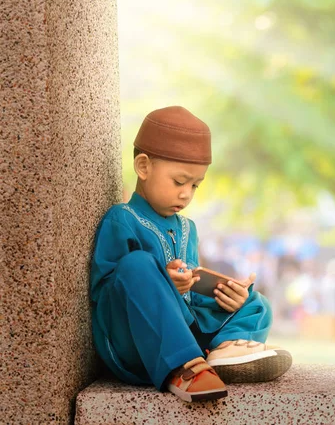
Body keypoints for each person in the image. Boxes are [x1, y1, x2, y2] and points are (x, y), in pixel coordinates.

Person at [90, 106, 292, 402]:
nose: (187, 194)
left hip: (186, 329)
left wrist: (224, 295)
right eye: (179, 182)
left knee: (254, 301)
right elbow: (107, 290)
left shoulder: (188, 227)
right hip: (137, 342)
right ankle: (184, 368)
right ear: (144, 167)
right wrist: (161, 282)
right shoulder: (123, 219)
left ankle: (224, 352)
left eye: (195, 185)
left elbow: (192, 293)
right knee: (137, 264)